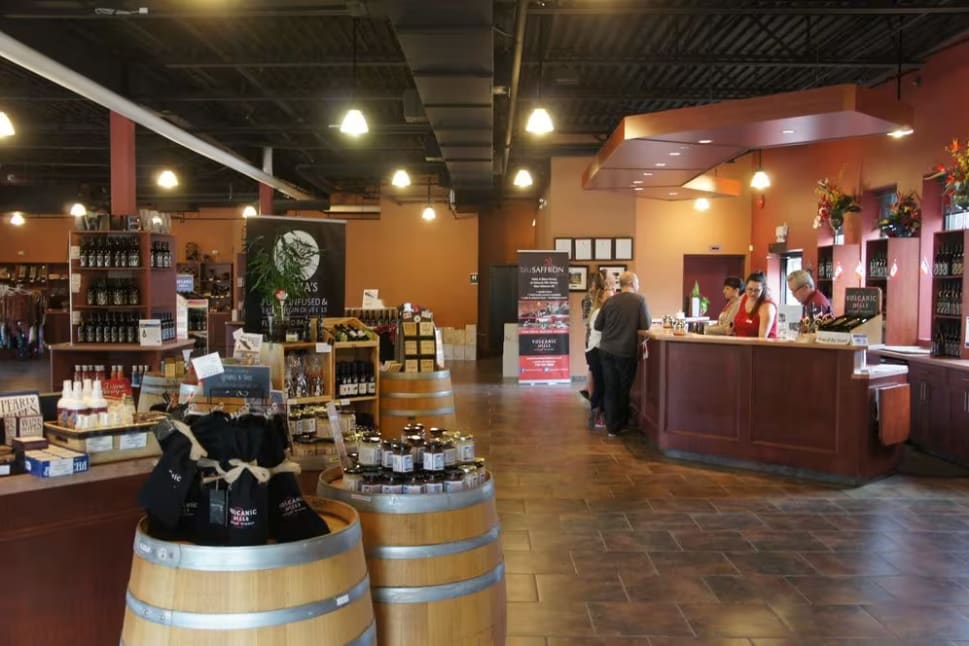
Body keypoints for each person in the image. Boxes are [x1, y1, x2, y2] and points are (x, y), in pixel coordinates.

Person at [594, 271, 651, 437]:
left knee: (610, 388)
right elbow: (646, 325)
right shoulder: (640, 301)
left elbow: (598, 325)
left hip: (605, 350)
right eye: (638, 283)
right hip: (625, 351)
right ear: (633, 283)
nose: (639, 286)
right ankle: (621, 424)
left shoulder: (610, 301)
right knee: (624, 389)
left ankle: (611, 428)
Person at [585, 280, 612, 429]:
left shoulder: (600, 311)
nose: (611, 300)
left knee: (601, 384)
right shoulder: (599, 312)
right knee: (601, 385)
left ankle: (597, 414)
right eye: (608, 297)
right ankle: (597, 416)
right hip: (595, 351)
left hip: (595, 350)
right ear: (601, 299)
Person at [733, 272, 778, 338]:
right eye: (750, 289)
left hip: (761, 346)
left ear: (763, 290)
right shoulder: (745, 297)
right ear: (745, 288)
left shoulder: (767, 306)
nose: (753, 293)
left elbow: (762, 339)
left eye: (757, 290)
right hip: (742, 344)